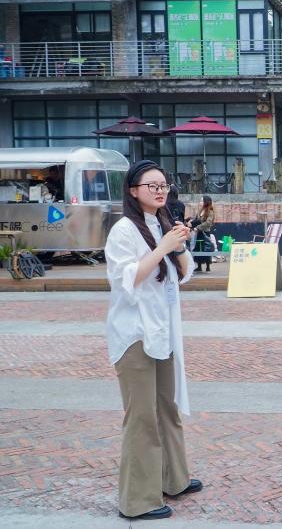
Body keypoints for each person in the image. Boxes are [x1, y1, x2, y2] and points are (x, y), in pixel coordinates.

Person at [104, 160, 202, 520]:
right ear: (133, 191)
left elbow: (184, 272)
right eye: (152, 186)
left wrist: (178, 246)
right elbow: (126, 279)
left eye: (164, 185)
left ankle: (173, 479)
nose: (160, 191)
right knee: (142, 416)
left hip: (163, 330)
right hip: (135, 334)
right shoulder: (123, 230)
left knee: (167, 407)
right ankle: (137, 501)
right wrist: (163, 247)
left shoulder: (161, 223)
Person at [191, 195, 214, 273]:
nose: (200, 202)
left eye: (202, 201)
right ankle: (199, 266)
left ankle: (208, 266)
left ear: (206, 202)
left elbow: (208, 223)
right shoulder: (200, 210)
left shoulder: (210, 211)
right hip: (198, 233)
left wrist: (198, 227)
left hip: (205, 232)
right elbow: (197, 219)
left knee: (206, 248)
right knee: (198, 248)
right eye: (200, 201)